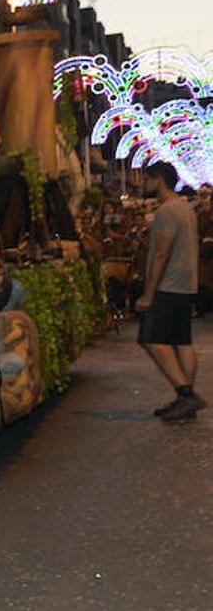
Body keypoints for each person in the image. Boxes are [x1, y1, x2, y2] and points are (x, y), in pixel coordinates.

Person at [136, 163, 204, 421]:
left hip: (167, 285)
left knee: (150, 338)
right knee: (181, 341)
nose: (144, 184)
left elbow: (161, 254)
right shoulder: (186, 208)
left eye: (147, 179)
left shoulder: (166, 211)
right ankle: (184, 400)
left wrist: (148, 294)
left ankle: (185, 394)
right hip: (186, 285)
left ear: (160, 180)